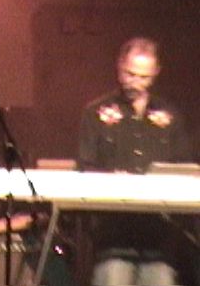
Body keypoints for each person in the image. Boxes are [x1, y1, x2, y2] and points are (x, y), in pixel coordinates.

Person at [78, 37, 191, 286]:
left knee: (161, 279)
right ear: (120, 67)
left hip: (158, 237)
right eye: (130, 74)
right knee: (114, 276)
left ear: (156, 73)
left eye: (143, 77)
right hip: (112, 237)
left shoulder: (170, 116)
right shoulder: (96, 113)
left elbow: (185, 170)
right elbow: (85, 167)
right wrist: (111, 181)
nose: (135, 83)